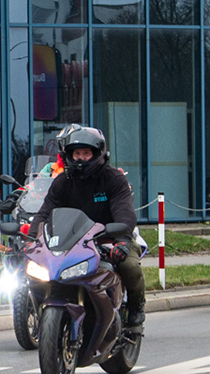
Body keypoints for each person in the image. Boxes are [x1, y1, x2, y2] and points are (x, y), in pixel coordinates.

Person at [28, 123, 146, 327]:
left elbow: (124, 212)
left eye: (86, 153)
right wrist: (31, 240)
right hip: (72, 242)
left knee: (130, 266)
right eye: (76, 154)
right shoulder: (62, 182)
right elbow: (45, 212)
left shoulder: (113, 179)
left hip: (109, 238)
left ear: (98, 154)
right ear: (69, 155)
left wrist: (121, 241)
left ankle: (136, 305)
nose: (80, 158)